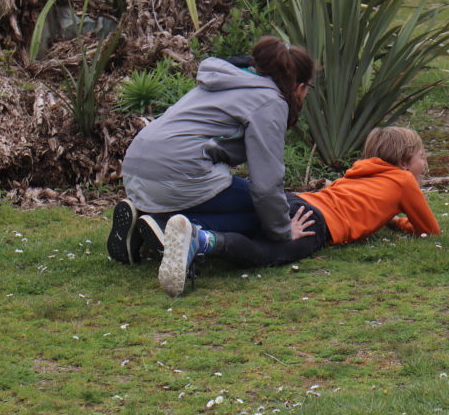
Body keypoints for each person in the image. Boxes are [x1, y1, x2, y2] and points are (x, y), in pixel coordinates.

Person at [155, 126, 441, 296]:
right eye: (421, 157)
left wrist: (388, 218)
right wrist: (399, 223)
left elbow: (362, 202)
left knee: (249, 224)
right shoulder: (404, 180)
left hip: (298, 200)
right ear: (404, 162)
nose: (424, 164)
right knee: (266, 253)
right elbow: (429, 229)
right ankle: (203, 240)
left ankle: (163, 225)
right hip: (314, 222)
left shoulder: (360, 172)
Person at [107, 36, 316, 266]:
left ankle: (141, 224)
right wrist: (284, 231)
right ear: (300, 86)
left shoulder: (229, 80)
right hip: (179, 171)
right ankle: (168, 226)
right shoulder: (270, 101)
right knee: (264, 215)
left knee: (262, 206)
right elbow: (266, 188)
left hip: (136, 166)